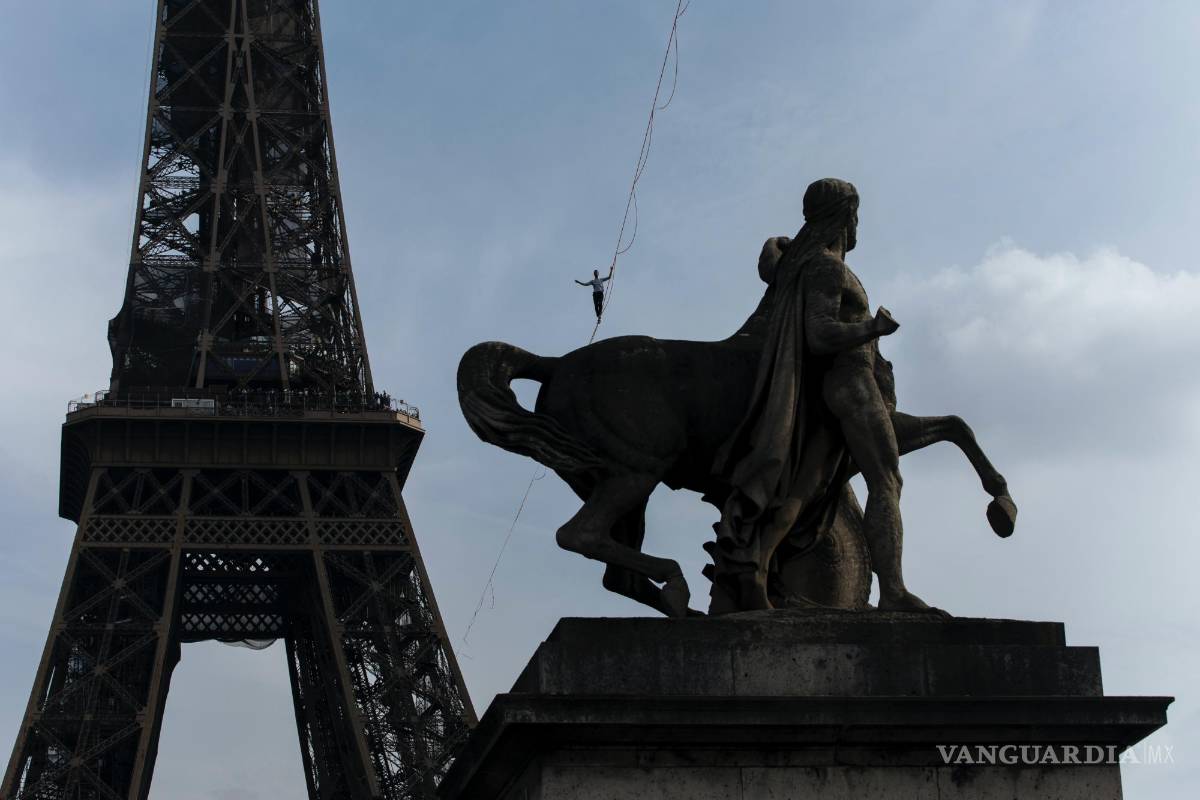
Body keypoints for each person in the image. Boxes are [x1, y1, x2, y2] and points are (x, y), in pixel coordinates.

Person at [712, 178, 931, 614]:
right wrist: (873, 328)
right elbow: (819, 333)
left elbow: (772, 269)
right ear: (844, 216)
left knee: (801, 489)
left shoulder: (801, 264)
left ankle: (755, 566)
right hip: (853, 387)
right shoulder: (828, 267)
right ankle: (893, 591)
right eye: (855, 213)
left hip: (827, 396)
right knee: (886, 481)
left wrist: (775, 248)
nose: (857, 222)